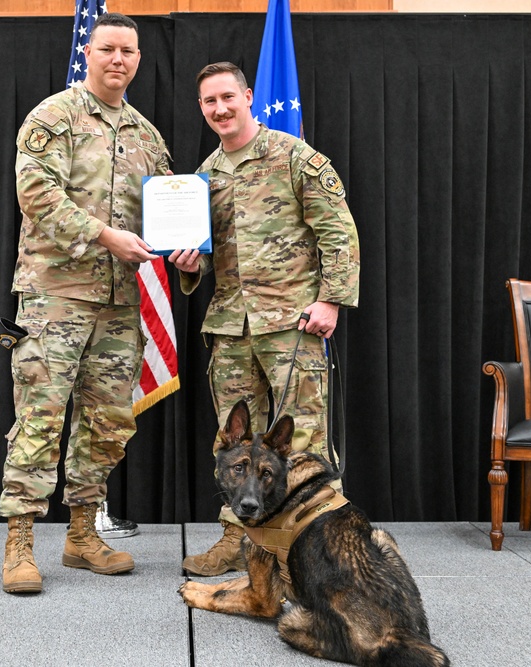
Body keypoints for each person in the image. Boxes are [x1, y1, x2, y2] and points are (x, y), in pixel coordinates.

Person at [0, 12, 171, 594]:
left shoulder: (148, 135)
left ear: (138, 58)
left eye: (128, 50)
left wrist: (184, 251)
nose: (118, 59)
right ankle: (20, 541)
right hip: (57, 296)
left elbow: (166, 209)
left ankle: (80, 535)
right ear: (88, 54)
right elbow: (36, 194)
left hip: (121, 304)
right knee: (41, 418)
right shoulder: (53, 117)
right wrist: (105, 236)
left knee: (107, 423)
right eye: (107, 49)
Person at [169, 62, 360, 576]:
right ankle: (238, 542)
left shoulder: (293, 156)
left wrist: (331, 300)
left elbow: (338, 232)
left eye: (228, 97)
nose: (220, 109)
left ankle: (322, 549)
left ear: (248, 96)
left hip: (293, 322)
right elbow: (209, 252)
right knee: (233, 446)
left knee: (304, 440)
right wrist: (192, 263)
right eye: (209, 102)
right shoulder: (204, 176)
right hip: (231, 326)